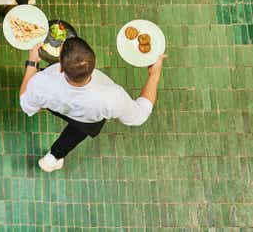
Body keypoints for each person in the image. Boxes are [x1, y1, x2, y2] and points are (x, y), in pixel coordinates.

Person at [19, 37, 165, 172]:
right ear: (93, 64)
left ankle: (53, 157)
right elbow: (140, 115)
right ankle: (52, 159)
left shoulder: (41, 84)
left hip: (56, 105)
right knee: (73, 135)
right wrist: (154, 75)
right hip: (88, 119)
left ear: (61, 67)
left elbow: (27, 105)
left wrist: (32, 63)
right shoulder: (112, 97)